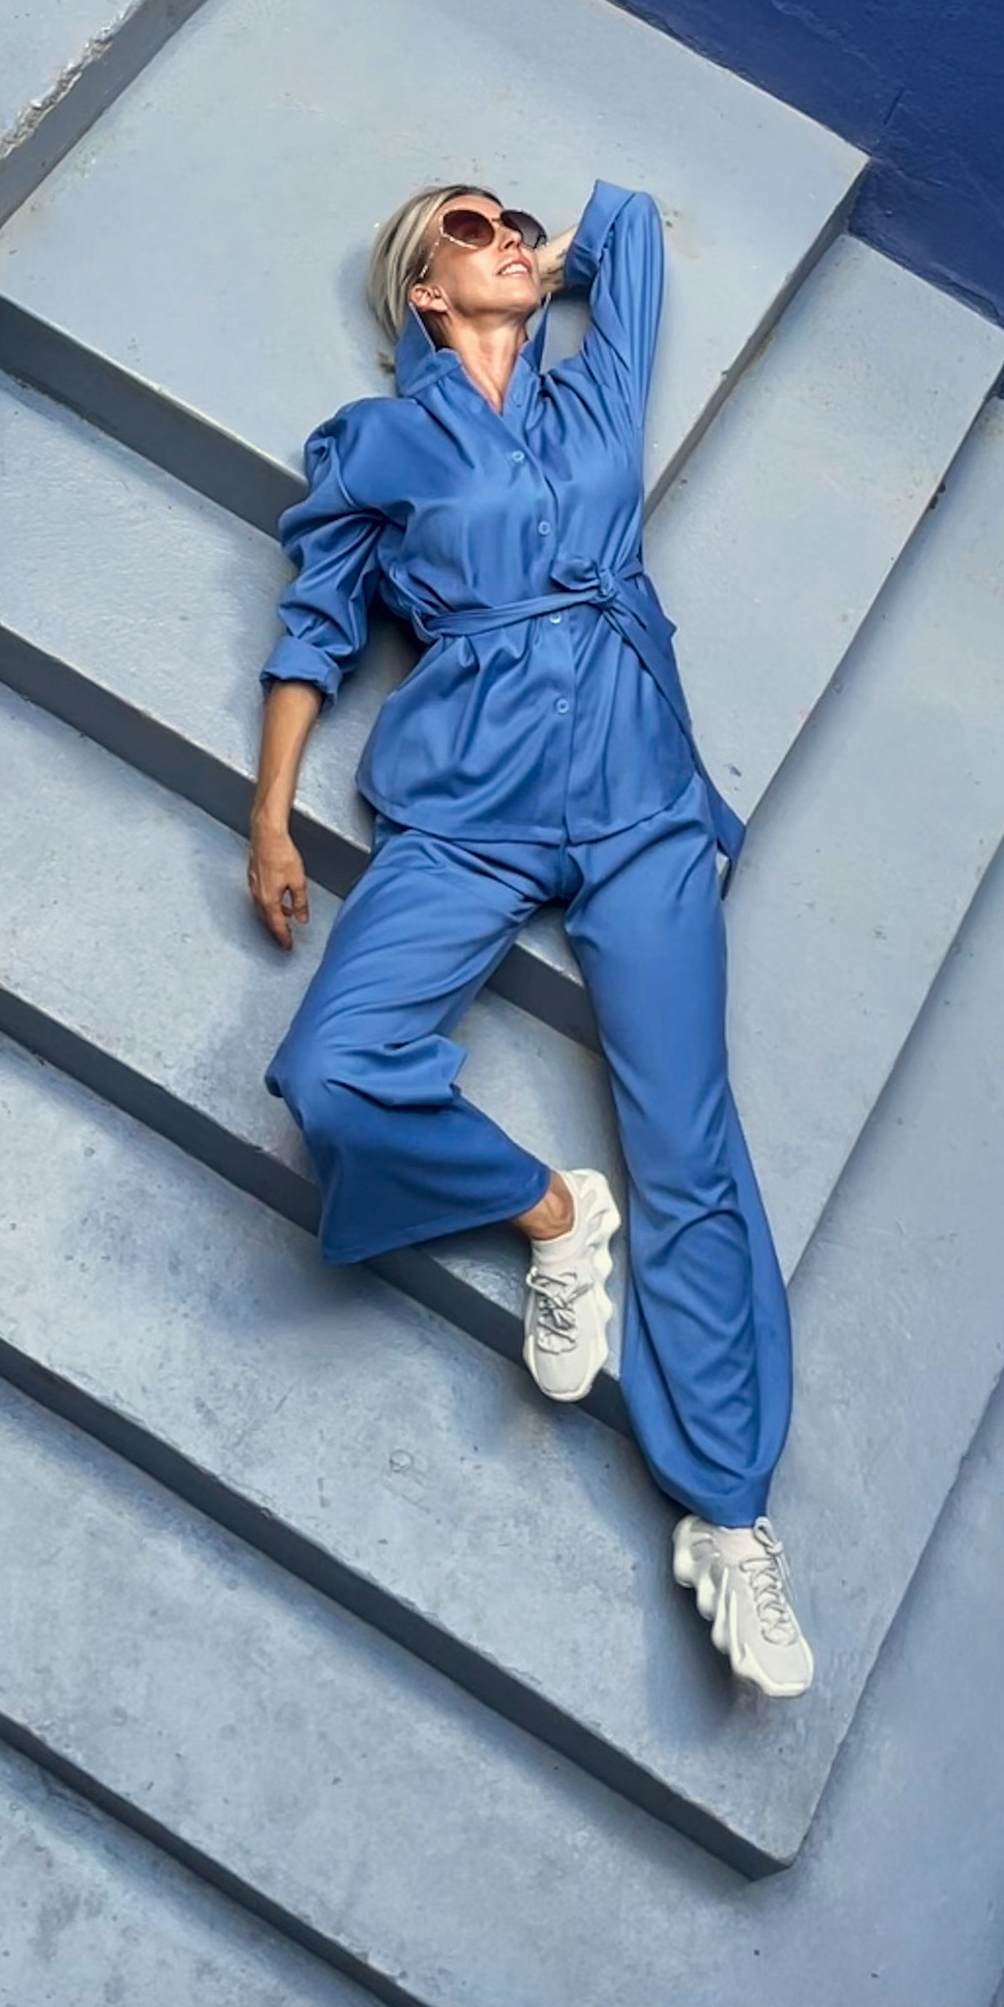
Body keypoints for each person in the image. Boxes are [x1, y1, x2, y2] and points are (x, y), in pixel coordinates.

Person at [248, 179, 813, 1699]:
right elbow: (316, 623)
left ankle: (729, 1514)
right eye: (468, 227)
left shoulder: (592, 391)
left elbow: (629, 226)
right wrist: (270, 815)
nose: (503, 234)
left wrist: (536, 260)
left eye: (510, 219)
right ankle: (553, 1218)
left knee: (689, 1138)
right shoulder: (381, 442)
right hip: (471, 804)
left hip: (636, 799)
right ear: (419, 293)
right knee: (332, 1074)